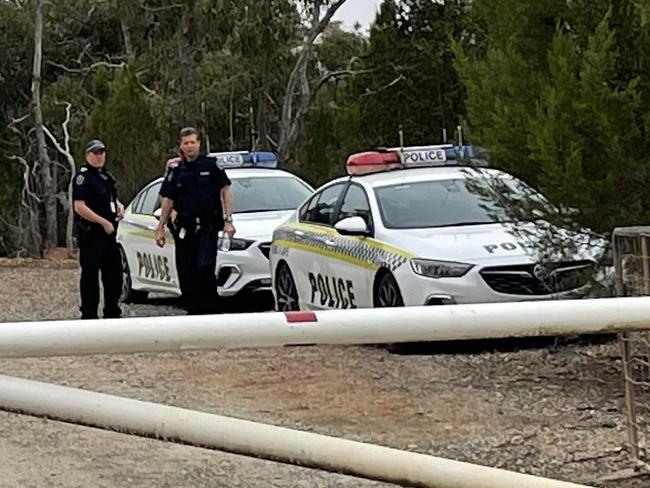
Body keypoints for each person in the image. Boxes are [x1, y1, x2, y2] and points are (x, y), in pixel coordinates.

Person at [154, 127, 236, 314]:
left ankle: (212, 312)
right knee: (186, 272)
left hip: (208, 226)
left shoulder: (211, 166)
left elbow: (226, 191)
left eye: (192, 142)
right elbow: (167, 200)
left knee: (205, 268)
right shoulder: (175, 171)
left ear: (199, 143)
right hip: (185, 228)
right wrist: (160, 227)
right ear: (181, 146)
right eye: (186, 143)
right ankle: (193, 313)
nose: (189, 146)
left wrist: (228, 220)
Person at [72, 139, 125, 319]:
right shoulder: (83, 177)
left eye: (102, 152)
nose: (99, 156)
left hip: (109, 234)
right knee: (90, 276)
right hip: (91, 234)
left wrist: (118, 206)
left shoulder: (106, 176)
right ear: (87, 155)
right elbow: (79, 206)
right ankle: (89, 314)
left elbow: (110, 198)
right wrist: (102, 222)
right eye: (95, 153)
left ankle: (112, 311)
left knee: (114, 274)